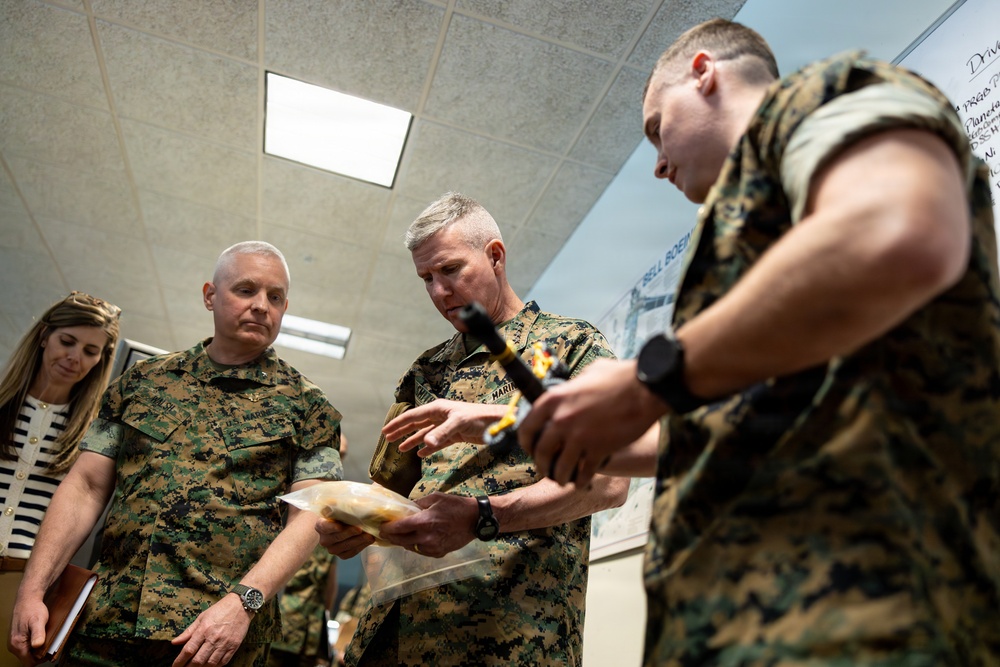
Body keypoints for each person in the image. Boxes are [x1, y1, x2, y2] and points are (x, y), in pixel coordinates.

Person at [518, 17, 1000, 666]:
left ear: (704, 71)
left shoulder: (821, 96)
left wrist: (647, 380)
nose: (658, 163)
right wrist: (592, 431)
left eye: (658, 128)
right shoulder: (743, 241)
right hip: (753, 621)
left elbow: (902, 231)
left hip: (866, 614)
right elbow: (721, 424)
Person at [315, 192, 629, 666]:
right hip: (396, 632)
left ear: (495, 256)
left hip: (509, 633)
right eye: (426, 278)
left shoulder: (569, 347)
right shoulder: (427, 370)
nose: (440, 292)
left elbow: (609, 481)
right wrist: (353, 526)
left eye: (451, 270)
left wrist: (483, 515)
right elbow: (388, 494)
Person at [9, 241, 344, 667]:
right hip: (105, 625)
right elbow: (86, 486)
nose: (262, 305)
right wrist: (34, 590)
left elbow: (310, 514)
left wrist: (243, 603)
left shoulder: (309, 406)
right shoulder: (142, 382)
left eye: (274, 297)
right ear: (210, 295)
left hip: (218, 641)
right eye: (246, 290)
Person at [0, 292, 121, 667]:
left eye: (90, 350)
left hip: (21, 584)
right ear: (44, 337)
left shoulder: (94, 435)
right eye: (67, 341)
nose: (74, 358)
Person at [269, 436, 351, 667]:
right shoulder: (290, 503)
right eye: (336, 452)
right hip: (279, 622)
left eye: (342, 455)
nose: (338, 460)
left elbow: (329, 575)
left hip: (310, 629)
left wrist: (325, 617)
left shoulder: (331, 513)